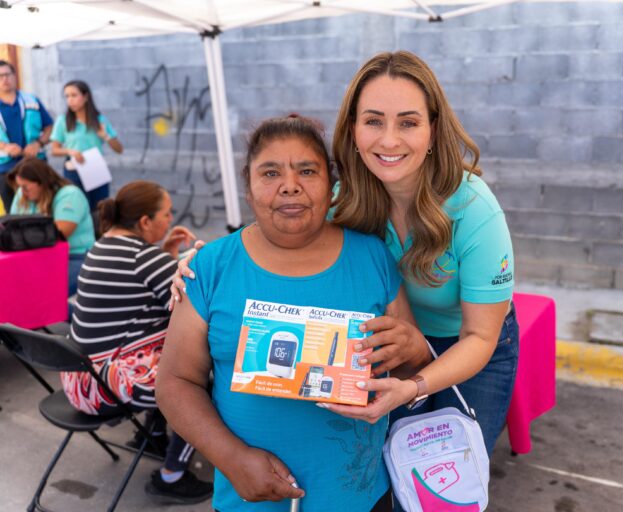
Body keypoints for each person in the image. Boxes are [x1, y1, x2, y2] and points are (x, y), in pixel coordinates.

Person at [171, 51, 519, 461]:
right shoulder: (344, 198)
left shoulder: (475, 210)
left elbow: (480, 337)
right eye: (374, 121)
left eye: (408, 122)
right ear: (353, 128)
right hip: (381, 342)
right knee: (389, 471)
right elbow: (277, 223)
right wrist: (204, 262)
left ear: (433, 129)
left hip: (465, 344)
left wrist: (413, 386)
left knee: (449, 476)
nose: (389, 140)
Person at [156, 115, 430, 512]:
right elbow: (175, 382)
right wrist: (232, 459)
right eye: (270, 172)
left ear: (331, 185)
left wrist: (416, 350)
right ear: (248, 187)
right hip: (245, 499)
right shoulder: (210, 267)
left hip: (360, 497)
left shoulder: (371, 257)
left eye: (307, 170)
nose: (290, 185)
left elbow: (407, 374)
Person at [61, 180, 212, 504]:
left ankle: (155, 437)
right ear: (145, 222)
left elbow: (139, 295)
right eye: (167, 213)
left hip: (79, 380)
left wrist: (165, 254)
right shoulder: (143, 258)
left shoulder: (103, 246)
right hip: (106, 389)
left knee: (165, 356)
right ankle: (172, 476)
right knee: (195, 378)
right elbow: (196, 303)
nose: (170, 219)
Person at [9, 158, 95, 296]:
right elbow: (10, 226)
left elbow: (59, 233)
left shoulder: (70, 195)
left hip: (74, 256)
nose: (22, 191)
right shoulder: (22, 194)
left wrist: (19, 235)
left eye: (25, 187)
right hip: (37, 256)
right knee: (16, 291)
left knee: (43, 295)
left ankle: (77, 316)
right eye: (19, 187)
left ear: (42, 183)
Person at [50, 80, 123, 211]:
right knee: (77, 207)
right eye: (67, 96)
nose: (70, 100)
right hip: (73, 168)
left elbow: (119, 149)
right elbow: (54, 150)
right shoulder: (63, 120)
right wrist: (70, 152)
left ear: (85, 96)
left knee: (99, 209)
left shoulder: (99, 119)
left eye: (74, 95)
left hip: (95, 167)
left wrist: (105, 135)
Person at [0, 60, 53, 211]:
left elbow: (50, 128)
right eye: (0, 76)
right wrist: (5, 147)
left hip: (35, 164)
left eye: (7, 75)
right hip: (5, 168)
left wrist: (38, 144)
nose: (5, 79)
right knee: (13, 209)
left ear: (14, 76)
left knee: (43, 206)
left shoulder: (31, 100)